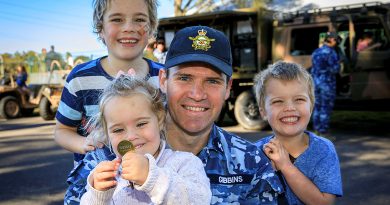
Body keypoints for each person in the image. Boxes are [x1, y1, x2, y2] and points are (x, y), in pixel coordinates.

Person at [54, 0, 163, 204]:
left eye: (139, 19)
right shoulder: (80, 79)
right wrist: (83, 143)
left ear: (151, 28)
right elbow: (61, 131)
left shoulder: (163, 77)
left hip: (152, 184)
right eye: (117, 19)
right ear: (100, 29)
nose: (129, 27)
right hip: (95, 188)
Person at [158, 26, 283, 204]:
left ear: (227, 88)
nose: (197, 94)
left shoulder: (252, 163)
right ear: (163, 80)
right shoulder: (123, 154)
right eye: (185, 78)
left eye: (212, 81)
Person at [80, 75, 211, 205]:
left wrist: (151, 177)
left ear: (159, 119)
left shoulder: (185, 163)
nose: (131, 136)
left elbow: (199, 200)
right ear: (107, 135)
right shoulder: (108, 175)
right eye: (118, 130)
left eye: (141, 124)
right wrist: (98, 196)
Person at [254, 61, 343, 205]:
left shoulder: (324, 150)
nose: (289, 107)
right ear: (263, 111)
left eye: (299, 99)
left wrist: (285, 165)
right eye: (278, 101)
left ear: (311, 106)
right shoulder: (253, 153)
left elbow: (325, 203)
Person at [311, 31, 341, 136]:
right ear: (332, 40)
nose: (336, 42)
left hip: (315, 83)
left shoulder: (316, 51)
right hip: (327, 84)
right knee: (325, 107)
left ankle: (316, 130)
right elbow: (335, 69)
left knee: (317, 107)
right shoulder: (331, 53)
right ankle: (323, 132)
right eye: (336, 40)